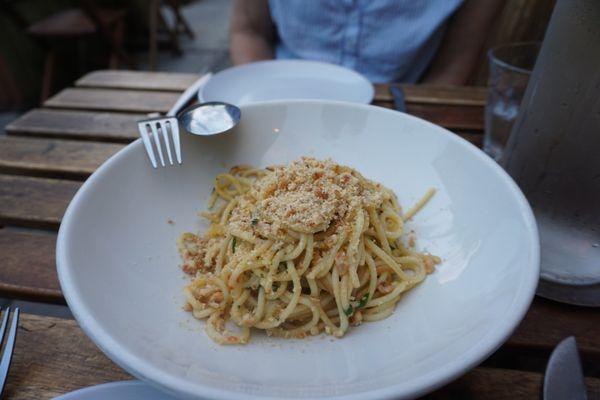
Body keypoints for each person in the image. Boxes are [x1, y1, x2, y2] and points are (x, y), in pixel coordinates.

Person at [229, 0, 504, 84]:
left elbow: (454, 64)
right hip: (282, 89)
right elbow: (248, 31)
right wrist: (267, 94)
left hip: (403, 101)